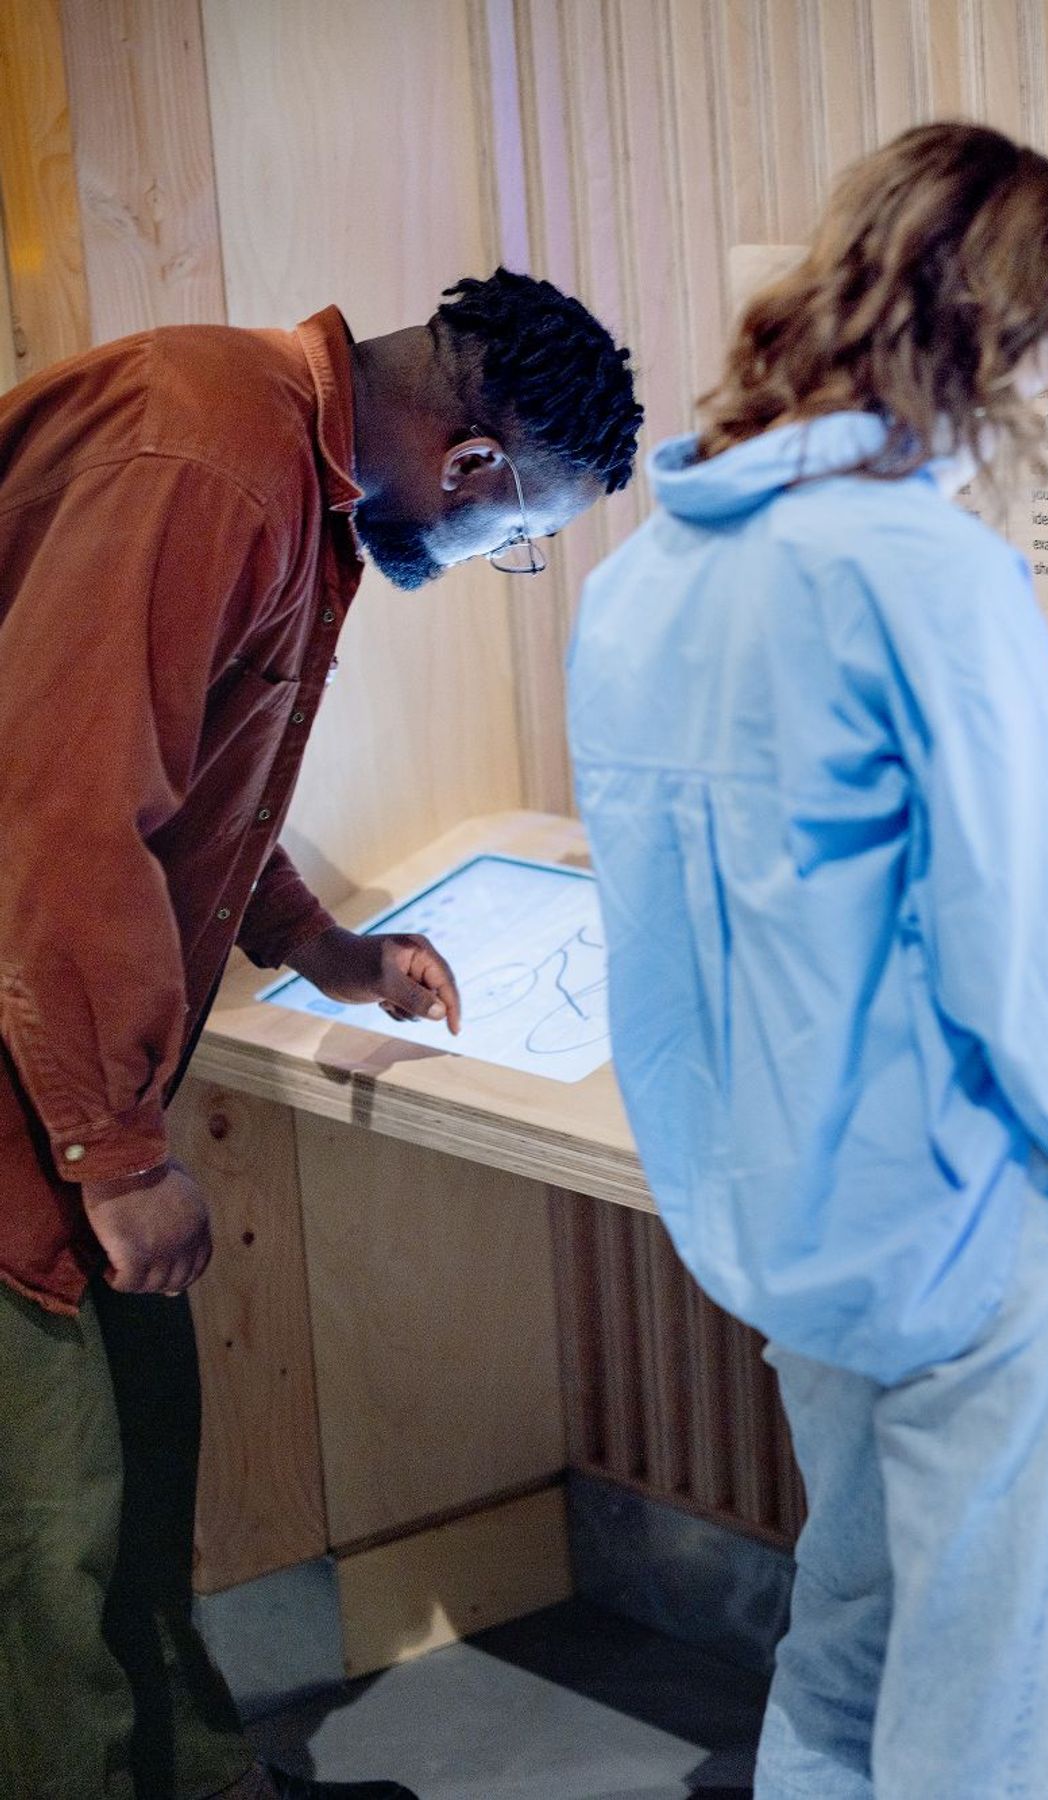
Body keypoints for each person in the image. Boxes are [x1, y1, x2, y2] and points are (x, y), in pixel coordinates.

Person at [568, 123, 1048, 1798]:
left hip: (778, 1226)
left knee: (847, 1632)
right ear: (992, 334)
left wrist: (729, 1198)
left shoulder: (638, 581)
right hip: (961, 1237)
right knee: (982, 1719)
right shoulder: (929, 576)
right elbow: (1042, 957)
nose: (1045, 387)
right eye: (1045, 347)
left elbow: (655, 960)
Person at [0, 270, 641, 1800]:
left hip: (63, 1075)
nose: (496, 558)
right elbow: (63, 814)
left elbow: (178, 768)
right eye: (519, 536)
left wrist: (318, 945)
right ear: (472, 462)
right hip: (38, 1087)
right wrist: (117, 1155)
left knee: (140, 1492)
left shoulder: (281, 461)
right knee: (51, 1550)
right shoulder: (211, 456)